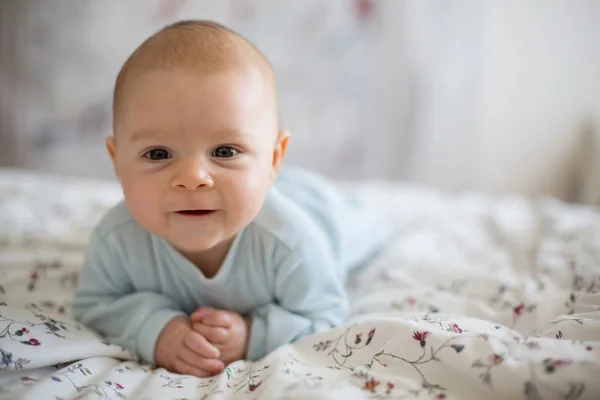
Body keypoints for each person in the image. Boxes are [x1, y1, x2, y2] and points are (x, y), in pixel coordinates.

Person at [72, 20, 389, 378]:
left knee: (353, 215)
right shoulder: (117, 240)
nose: (192, 178)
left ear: (273, 160)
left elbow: (325, 315)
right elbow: (94, 305)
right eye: (158, 154)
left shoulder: (291, 241)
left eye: (225, 150)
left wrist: (252, 335)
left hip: (326, 213)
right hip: (264, 191)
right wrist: (156, 328)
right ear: (117, 162)